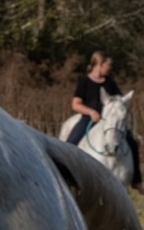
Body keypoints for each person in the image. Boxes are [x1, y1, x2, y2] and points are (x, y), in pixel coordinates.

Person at [59, 50, 139, 186]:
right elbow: (75, 104)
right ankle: (62, 177)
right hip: (88, 119)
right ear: (100, 64)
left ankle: (137, 180)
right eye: (109, 65)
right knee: (71, 143)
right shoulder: (84, 82)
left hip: (109, 121)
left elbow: (119, 101)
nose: (110, 68)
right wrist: (91, 112)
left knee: (132, 141)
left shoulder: (110, 83)